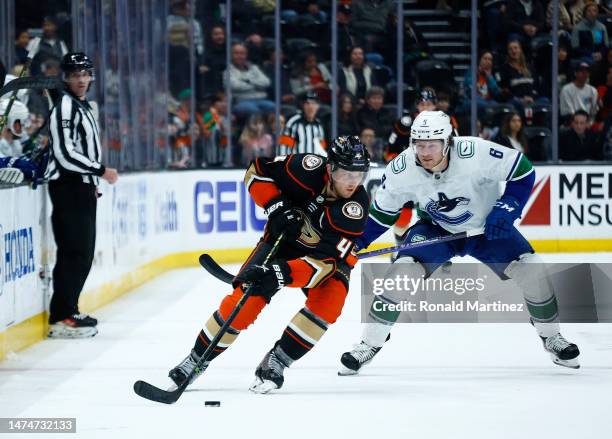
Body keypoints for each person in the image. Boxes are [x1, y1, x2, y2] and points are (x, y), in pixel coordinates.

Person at [338, 110, 581, 375]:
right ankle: (369, 343)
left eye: (432, 145)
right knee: (402, 272)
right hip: (436, 230)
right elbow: (382, 214)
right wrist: (358, 240)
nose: (425, 152)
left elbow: (522, 170)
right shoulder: (402, 167)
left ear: (448, 141)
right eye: (419, 145)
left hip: (486, 230)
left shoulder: (475, 151)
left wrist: (507, 208)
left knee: (533, 269)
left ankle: (552, 337)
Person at [168, 136, 371, 393]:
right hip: (281, 242)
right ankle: (195, 362)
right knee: (244, 303)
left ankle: (276, 361)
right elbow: (256, 172)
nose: (353, 182)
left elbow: (324, 265)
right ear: (330, 168)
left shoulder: (355, 208)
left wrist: (281, 273)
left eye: (359, 174)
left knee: (329, 303)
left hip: (322, 260)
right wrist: (276, 207)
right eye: (346, 173)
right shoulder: (306, 168)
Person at [45, 53, 119, 338]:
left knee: (82, 252)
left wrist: (92, 179)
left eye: (85, 74)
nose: (80, 79)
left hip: (82, 186)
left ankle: (69, 309)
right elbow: (65, 154)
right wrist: (100, 171)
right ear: (65, 77)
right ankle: (62, 315)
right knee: (74, 252)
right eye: (75, 74)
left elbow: (82, 148)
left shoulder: (83, 106)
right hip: (68, 187)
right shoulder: (64, 106)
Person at [224, 43, 274, 116]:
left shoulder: (254, 68)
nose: (239, 56)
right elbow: (235, 86)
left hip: (262, 99)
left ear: (246, 55)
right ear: (231, 55)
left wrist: (248, 81)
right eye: (236, 53)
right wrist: (257, 85)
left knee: (273, 107)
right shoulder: (228, 71)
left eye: (242, 53)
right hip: (241, 102)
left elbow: (266, 82)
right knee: (254, 110)